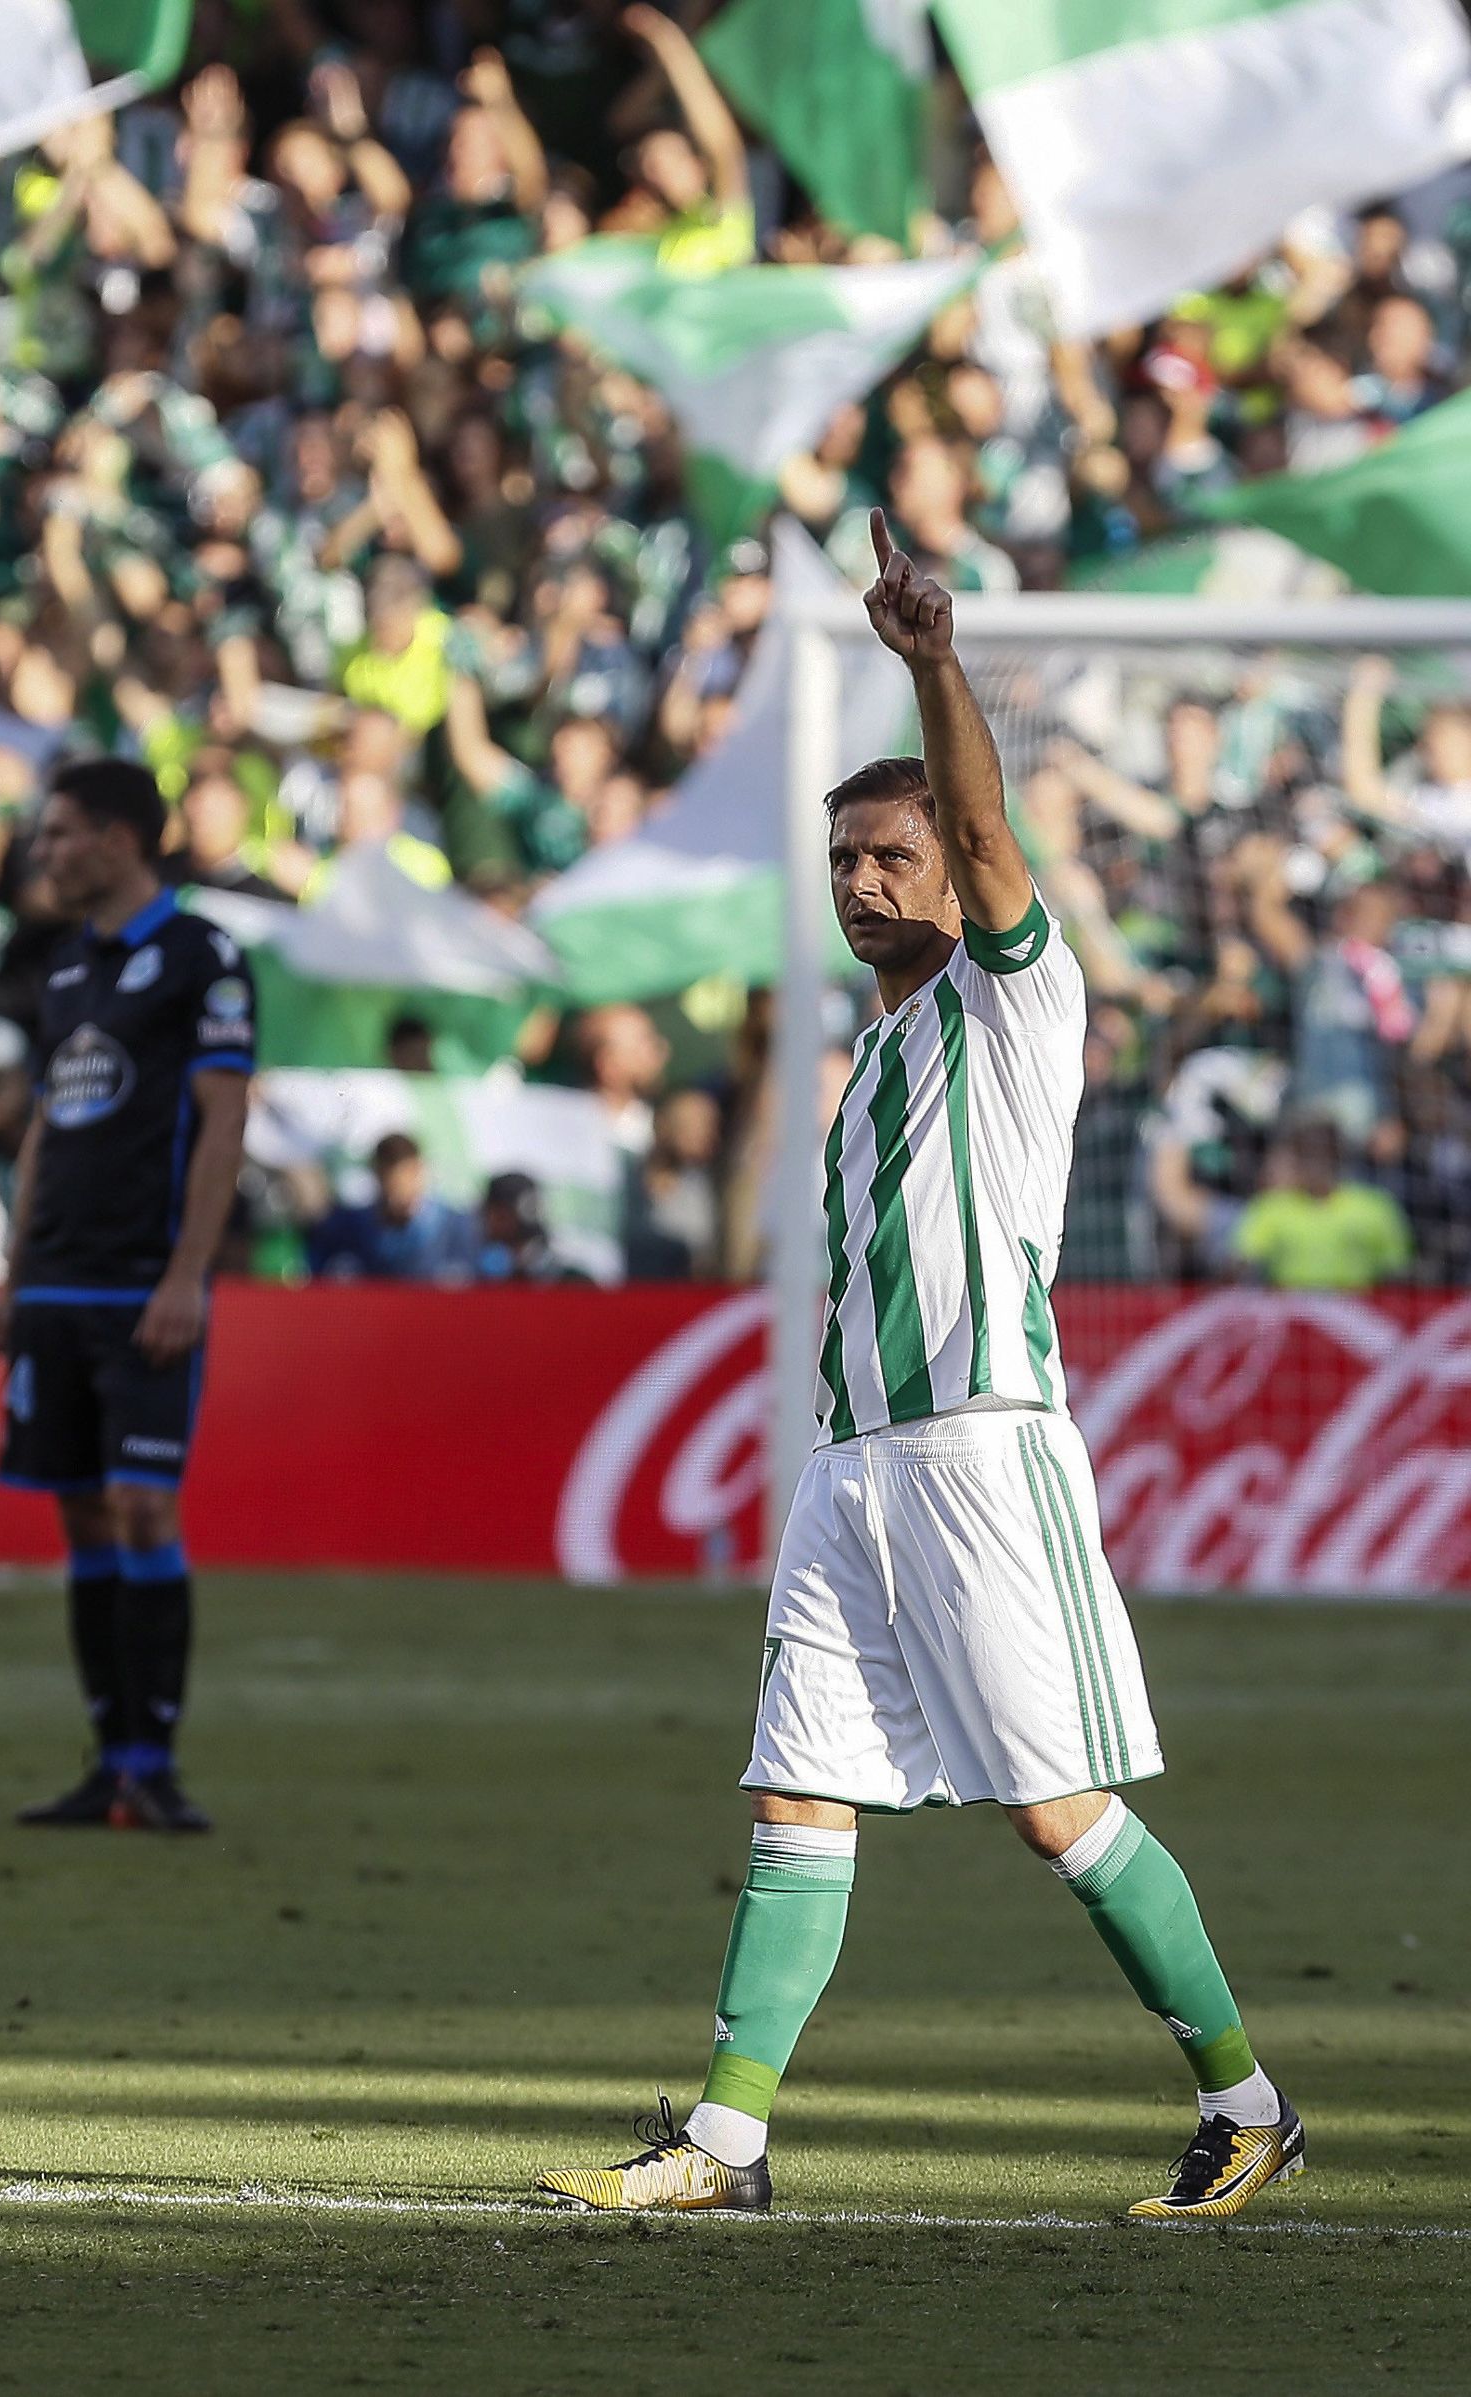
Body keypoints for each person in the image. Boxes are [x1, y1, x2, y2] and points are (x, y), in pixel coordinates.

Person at [538, 513, 1304, 2223]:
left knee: (1055, 1814)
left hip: (978, 1449)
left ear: (959, 874)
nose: (869, 879)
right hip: (855, 1461)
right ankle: (726, 2144)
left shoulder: (1012, 1008)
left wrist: (932, 660)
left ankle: (1246, 2103)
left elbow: (981, 815)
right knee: (798, 1791)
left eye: (895, 855)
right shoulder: (874, 1057)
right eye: (846, 862)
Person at [0, 758, 255, 1833]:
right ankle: (110, 1760)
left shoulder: (202, 958)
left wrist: (189, 1272)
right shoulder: (62, 971)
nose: (42, 855)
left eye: (57, 836)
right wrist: (13, 1274)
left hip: (145, 1279)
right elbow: (48, 1127)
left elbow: (222, 1119)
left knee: (144, 1502)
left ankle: (157, 1763)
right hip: (55, 1281)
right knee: (84, 1510)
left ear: (119, 839)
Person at [1235, 1117, 1412, 1291]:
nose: (1316, 1163)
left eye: (1323, 1152)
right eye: (1307, 1154)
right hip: (1291, 1313)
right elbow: (1242, 1262)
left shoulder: (1375, 1206)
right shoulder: (1270, 1207)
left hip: (1356, 1313)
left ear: (1338, 1155)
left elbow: (1398, 1270)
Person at [306, 1130, 476, 1280]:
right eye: (389, 1183)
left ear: (419, 1171)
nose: (396, 1195)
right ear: (377, 1176)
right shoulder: (350, 1225)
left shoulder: (455, 1225)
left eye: (404, 1181)